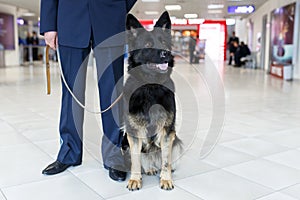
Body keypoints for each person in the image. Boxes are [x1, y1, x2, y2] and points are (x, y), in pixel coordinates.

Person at [40, 0, 137, 182]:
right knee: (71, 95)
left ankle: (114, 156)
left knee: (113, 93)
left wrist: (119, 6)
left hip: (109, 18)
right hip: (69, 18)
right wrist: (48, 25)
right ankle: (69, 151)